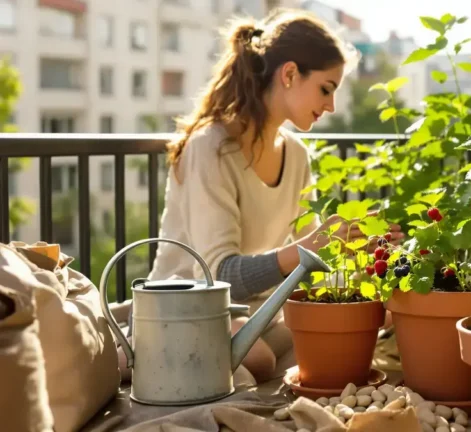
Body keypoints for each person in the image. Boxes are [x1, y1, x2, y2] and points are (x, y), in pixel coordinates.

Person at [119, 9, 404, 383]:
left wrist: (348, 250)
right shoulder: (211, 147)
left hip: (256, 314)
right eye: (326, 89)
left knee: (355, 327)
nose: (331, 106)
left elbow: (309, 267)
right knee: (258, 357)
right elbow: (218, 276)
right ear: (289, 74)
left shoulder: (297, 154)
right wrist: (309, 248)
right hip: (185, 310)